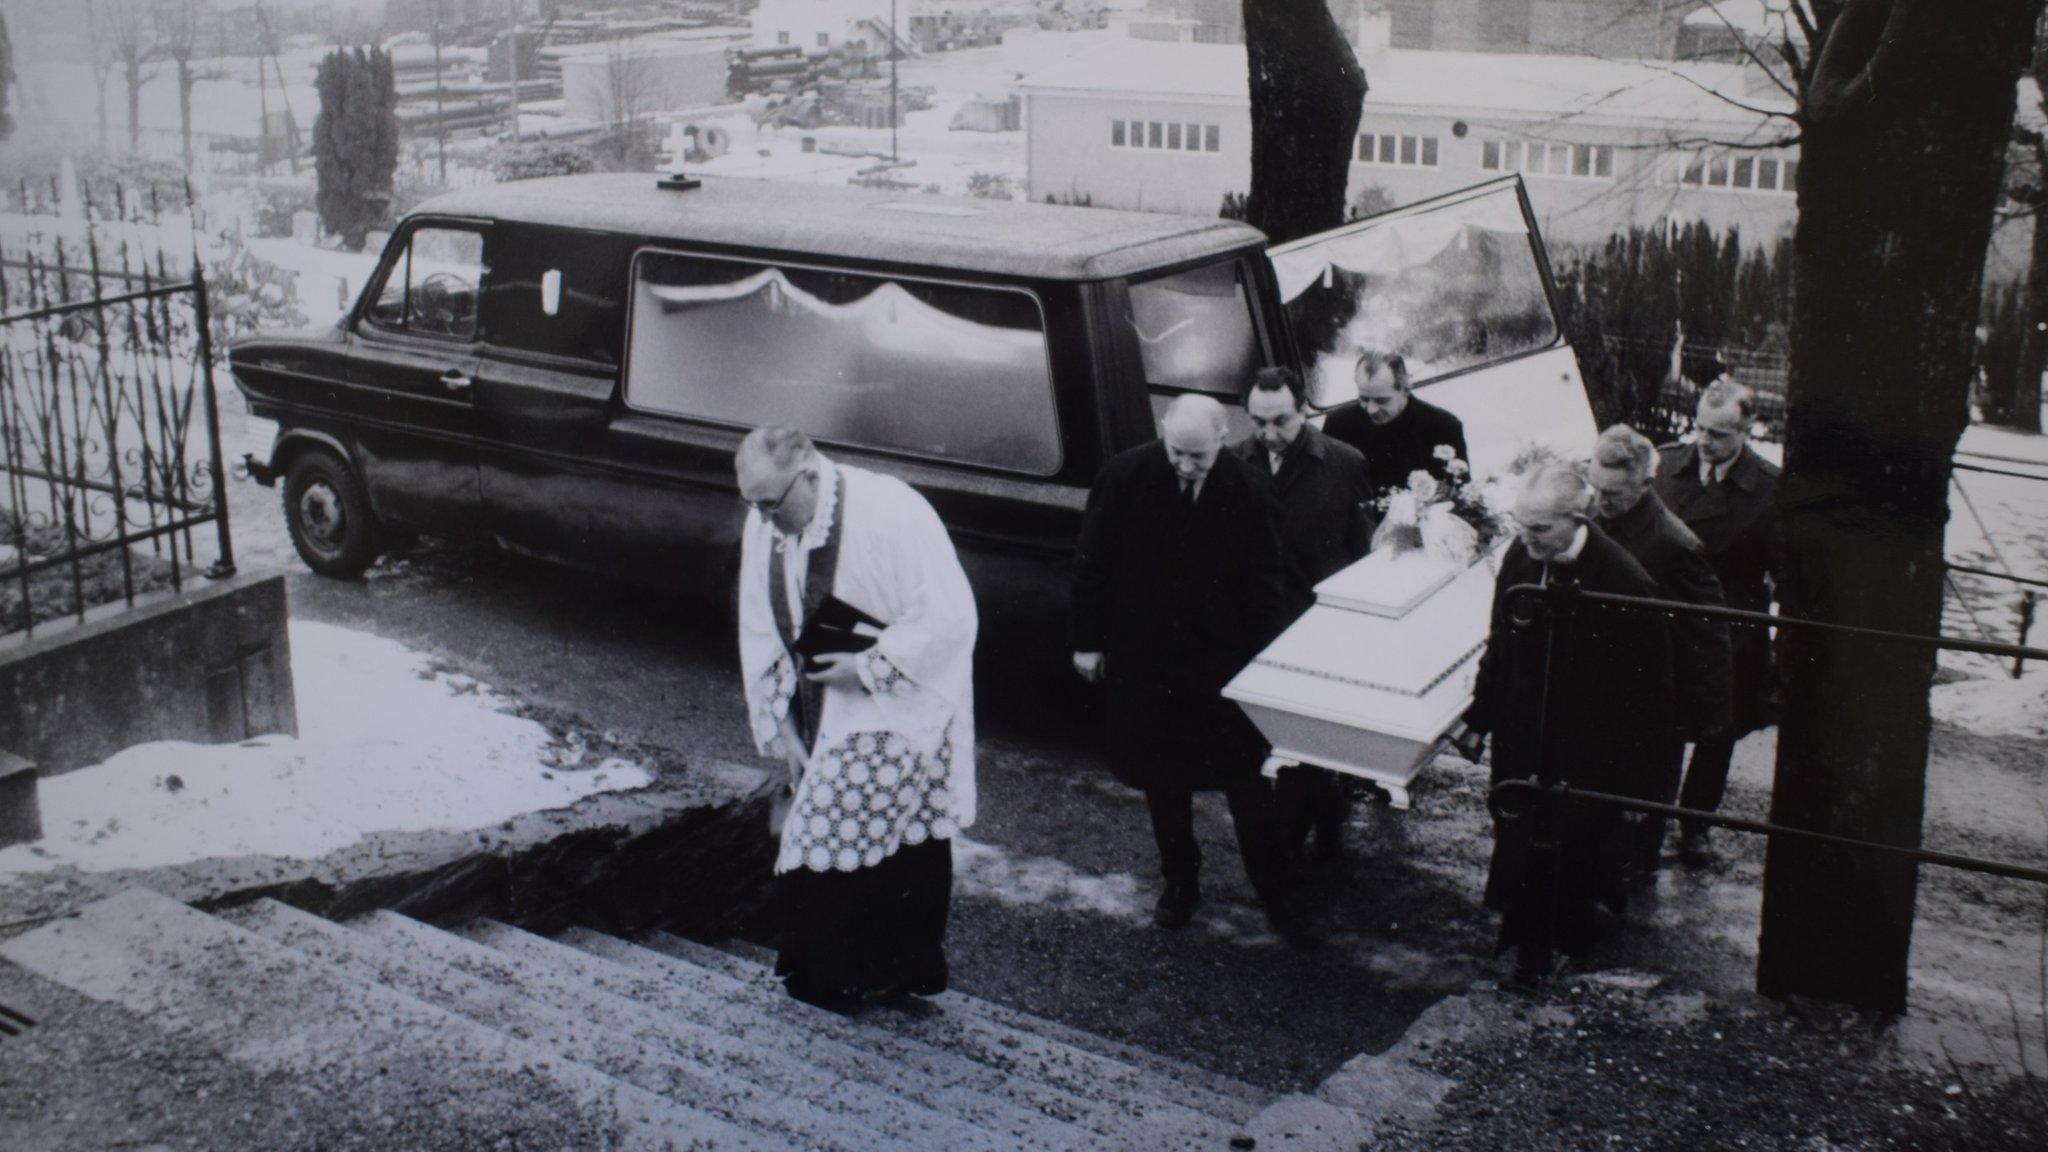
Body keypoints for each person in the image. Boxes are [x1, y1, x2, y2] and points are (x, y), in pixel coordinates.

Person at [735, 426, 979, 1009]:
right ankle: (864, 971)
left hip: (905, 699)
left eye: (771, 504)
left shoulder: (894, 510)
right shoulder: (766, 521)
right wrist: (785, 729)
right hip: (827, 704)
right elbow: (759, 622)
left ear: (812, 474)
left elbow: (952, 618)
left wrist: (867, 668)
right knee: (861, 832)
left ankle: (857, 975)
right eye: (751, 504)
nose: (763, 520)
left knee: (840, 829)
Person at [1071, 394, 1305, 938]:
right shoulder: (1124, 475)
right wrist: (1087, 641)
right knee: (1162, 780)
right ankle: (1180, 882)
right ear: (1163, 433)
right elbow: (1091, 563)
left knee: (1248, 786)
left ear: (1224, 438)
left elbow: (1267, 590)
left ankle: (1276, 893)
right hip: (1146, 663)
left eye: (1198, 456)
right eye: (1177, 451)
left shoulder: (1251, 492)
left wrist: (1267, 670)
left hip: (1221, 668)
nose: (1184, 464)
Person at [1457, 465, 1675, 986]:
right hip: (1523, 733)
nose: (1527, 539)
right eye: (1521, 525)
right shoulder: (1520, 556)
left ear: (1579, 519)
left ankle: (1557, 950)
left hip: (1587, 748)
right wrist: (1478, 719)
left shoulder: (1624, 580)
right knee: (1518, 838)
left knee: (1575, 852)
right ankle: (1522, 940)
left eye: (1540, 529)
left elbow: (1650, 696)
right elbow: (1501, 642)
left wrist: (1639, 790)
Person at [1232, 366, 1376, 864]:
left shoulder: (1345, 463)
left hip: (1319, 627)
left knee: (1312, 746)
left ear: (1304, 410)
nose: (1269, 435)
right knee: (1267, 743)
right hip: (1257, 627)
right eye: (1258, 422)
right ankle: (1300, 827)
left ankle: (1309, 833)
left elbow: (1364, 553)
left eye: (1282, 422)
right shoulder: (1235, 462)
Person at [1587, 424, 1732, 879]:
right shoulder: (1597, 515)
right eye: (1595, 488)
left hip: (1654, 698)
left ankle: (1637, 878)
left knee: (1644, 801)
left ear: (1644, 483)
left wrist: (1703, 714)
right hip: (1606, 684)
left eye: (1612, 493)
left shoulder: (1672, 543)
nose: (1601, 500)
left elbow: (1707, 632)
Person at [1653, 380, 1781, 868]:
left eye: (1721, 434)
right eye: (1701, 428)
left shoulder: (1769, 489)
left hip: (1728, 632)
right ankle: (1650, 817)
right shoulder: (1665, 466)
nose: (1706, 441)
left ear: (1748, 429)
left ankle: (1696, 824)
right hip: (1666, 621)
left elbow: (1782, 569)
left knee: (1716, 735)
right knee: (1659, 726)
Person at [1322, 351, 1469, 502]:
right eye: (1364, 399)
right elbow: (1329, 492)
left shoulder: (1443, 426)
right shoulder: (1338, 425)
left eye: (1382, 401)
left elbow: (1460, 499)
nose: (1371, 409)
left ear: (1405, 389)